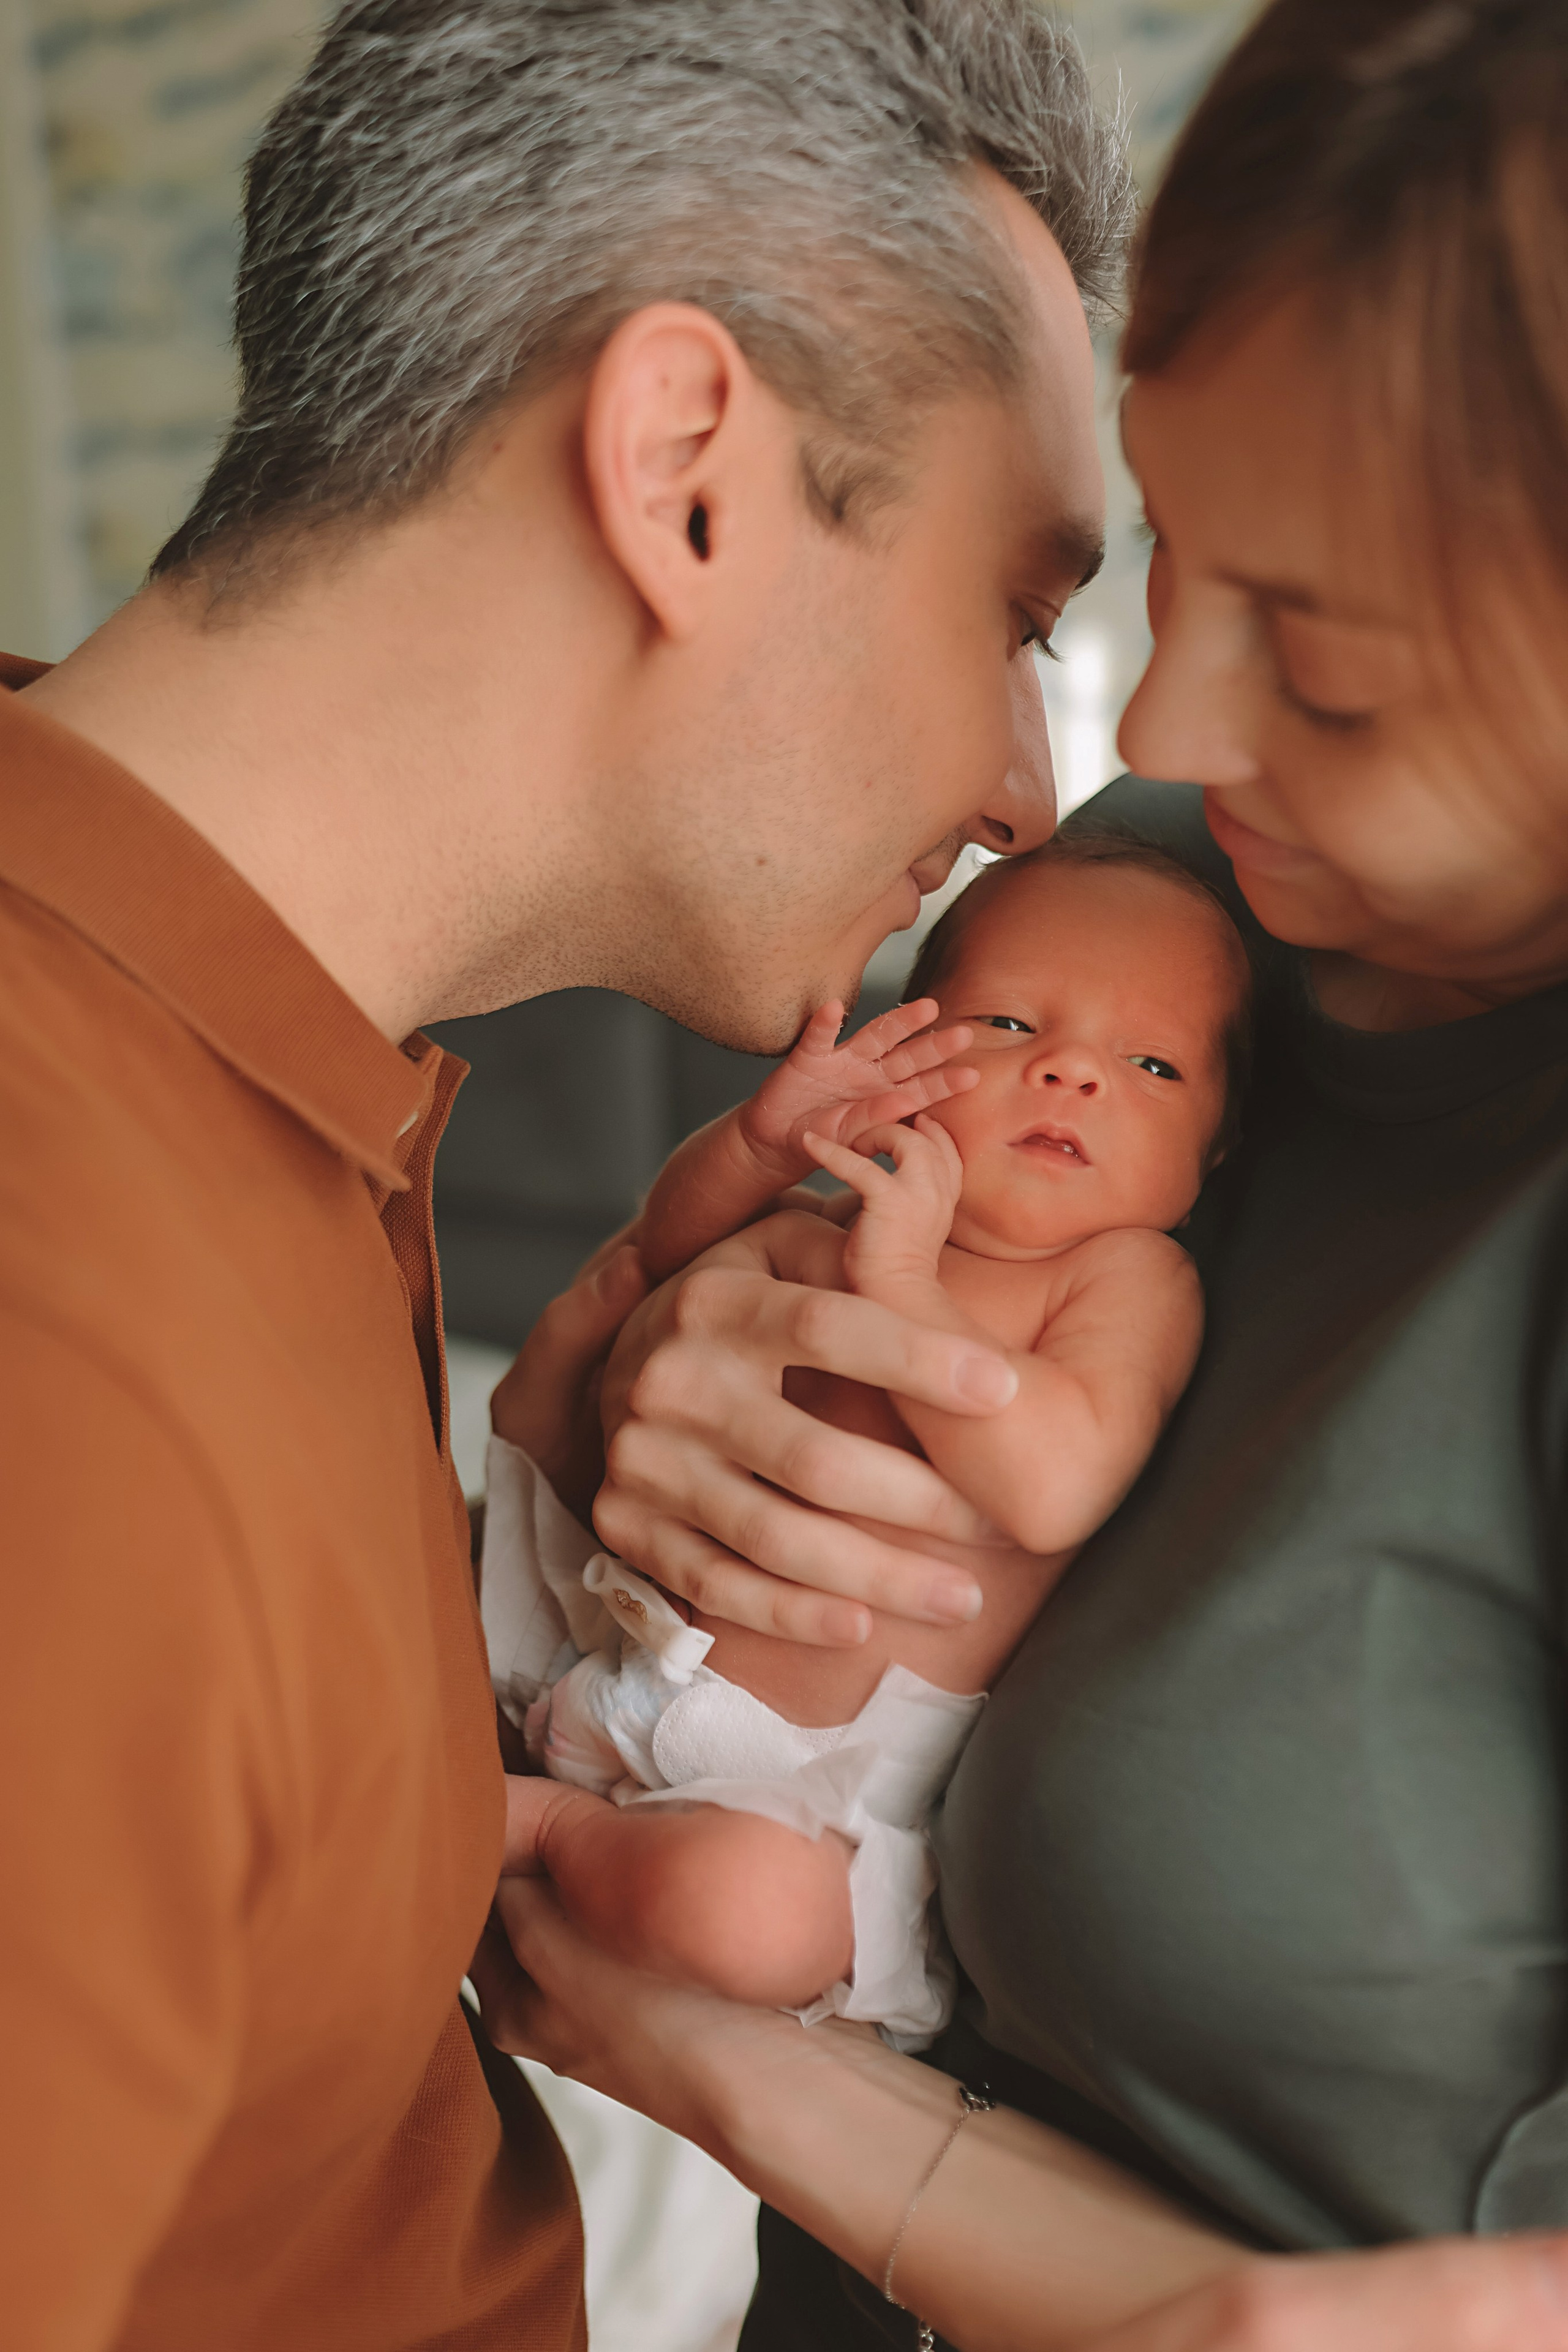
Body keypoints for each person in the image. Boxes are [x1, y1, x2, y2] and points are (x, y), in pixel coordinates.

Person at [0, 2, 1133, 2343]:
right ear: (685, 464)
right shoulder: (63, 1307)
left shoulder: (230, 1060)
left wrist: (559, 1482)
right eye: (1020, 614)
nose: (1030, 790)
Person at [474, 2, 1568, 2348]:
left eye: (1333, 666)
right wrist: (670, 1374)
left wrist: (729, 2068)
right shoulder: (1171, 885)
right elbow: (710, 1264)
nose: (1155, 733)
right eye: (1174, 559)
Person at [490, 833, 1250, 2052]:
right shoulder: (827, 1225)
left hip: (804, 1786)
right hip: (612, 1643)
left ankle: (549, 1830)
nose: (1069, 1072)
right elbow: (661, 1264)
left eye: (1151, 1063)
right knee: (530, 1387)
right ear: (907, 1055)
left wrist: (902, 1282)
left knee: (747, 1916)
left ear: (1211, 1156)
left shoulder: (1122, 1280)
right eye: (1010, 1025)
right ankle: (504, 1757)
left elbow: (1053, 1487)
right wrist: (759, 1151)